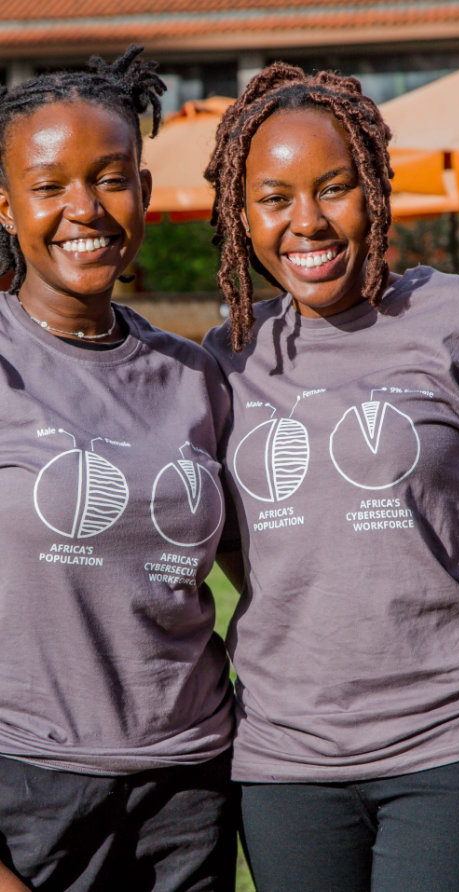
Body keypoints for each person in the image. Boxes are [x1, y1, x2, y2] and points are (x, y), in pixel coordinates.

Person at [203, 63, 459, 892]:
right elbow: (245, 549)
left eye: (335, 188)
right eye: (275, 198)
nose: (307, 222)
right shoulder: (221, 359)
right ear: (240, 214)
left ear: (374, 188)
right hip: (285, 758)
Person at [0, 47, 237, 891]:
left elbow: (278, 560)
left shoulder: (196, 373)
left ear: (141, 191)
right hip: (31, 787)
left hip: (193, 782)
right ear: (6, 205)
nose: (83, 209)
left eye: (110, 177)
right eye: (49, 184)